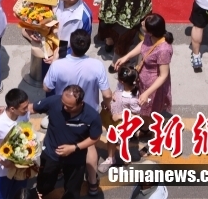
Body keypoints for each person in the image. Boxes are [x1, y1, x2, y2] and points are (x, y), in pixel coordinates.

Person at [42, 29, 112, 195]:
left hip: (64, 112)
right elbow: (107, 94)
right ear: (87, 46)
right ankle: (93, 184)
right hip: (88, 113)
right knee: (90, 147)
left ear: (70, 45)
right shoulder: (96, 65)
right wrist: (106, 105)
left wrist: (54, 64)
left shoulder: (58, 65)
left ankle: (59, 170)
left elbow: (46, 87)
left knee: (59, 142)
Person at [31, 85, 103, 199]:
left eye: (69, 106)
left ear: (80, 103)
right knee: (44, 185)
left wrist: (74, 148)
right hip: (51, 155)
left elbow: (95, 138)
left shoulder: (92, 116)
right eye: (63, 103)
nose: (64, 107)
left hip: (75, 159)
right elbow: (30, 108)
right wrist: (8, 113)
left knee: (72, 191)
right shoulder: (54, 102)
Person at [114, 14, 173, 126]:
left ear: (151, 32)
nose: (141, 23)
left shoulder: (164, 50)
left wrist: (147, 93)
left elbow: (163, 75)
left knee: (151, 110)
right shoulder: (150, 36)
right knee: (145, 108)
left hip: (153, 85)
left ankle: (151, 128)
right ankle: (147, 125)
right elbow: (144, 45)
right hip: (144, 78)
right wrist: (126, 57)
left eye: (144, 24)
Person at [0, 89, 31, 199]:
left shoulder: (23, 114)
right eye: (24, 108)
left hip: (20, 167)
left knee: (18, 195)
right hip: (1, 171)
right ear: (12, 109)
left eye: (27, 105)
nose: (27, 109)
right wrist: (3, 162)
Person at [46, 0, 93, 78]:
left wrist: (61, 56)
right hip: (47, 45)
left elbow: (82, 44)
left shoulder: (84, 17)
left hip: (64, 54)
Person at [97, 67, 141, 173]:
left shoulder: (133, 99)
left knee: (121, 143)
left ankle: (125, 161)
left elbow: (136, 115)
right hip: (111, 117)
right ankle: (111, 158)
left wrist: (120, 116)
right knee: (111, 139)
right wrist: (111, 98)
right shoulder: (121, 86)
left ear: (122, 81)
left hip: (122, 124)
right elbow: (116, 93)